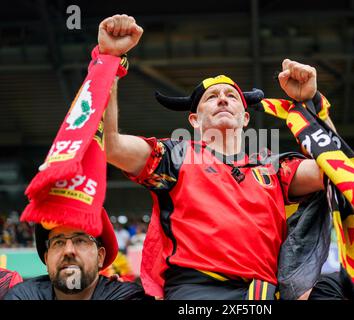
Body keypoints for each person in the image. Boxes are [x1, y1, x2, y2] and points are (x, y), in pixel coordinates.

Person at [99, 14, 328, 299]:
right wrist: (109, 60)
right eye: (211, 97)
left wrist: (311, 106)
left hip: (264, 295)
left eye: (231, 96)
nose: (222, 98)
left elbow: (329, 171)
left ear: (245, 118)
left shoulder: (272, 165)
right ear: (194, 120)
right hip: (197, 292)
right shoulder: (174, 154)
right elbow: (113, 148)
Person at [4, 209, 148, 300]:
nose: (68, 251)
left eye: (80, 241)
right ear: (47, 258)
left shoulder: (127, 296)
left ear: (100, 256)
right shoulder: (23, 296)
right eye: (58, 242)